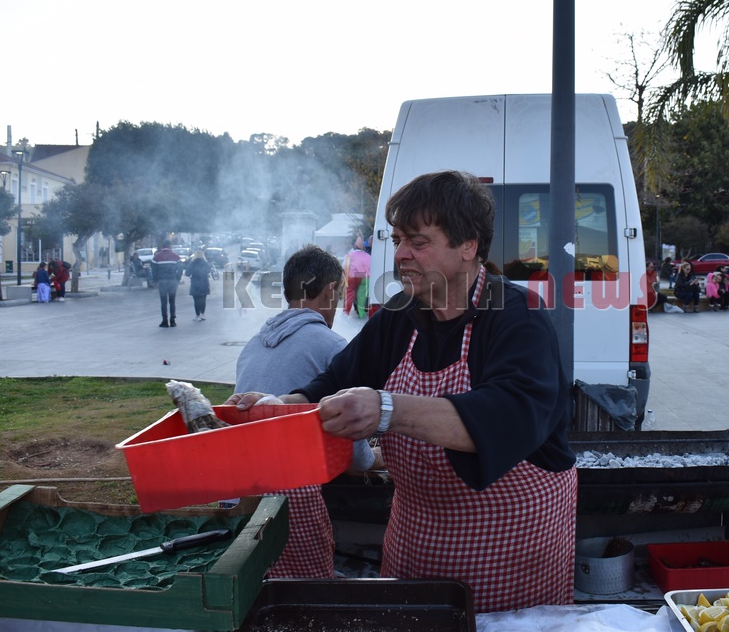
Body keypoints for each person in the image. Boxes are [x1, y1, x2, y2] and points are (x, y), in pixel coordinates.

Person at [226, 170, 577, 613]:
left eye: (418, 241)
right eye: (397, 240)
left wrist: (386, 408)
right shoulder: (400, 314)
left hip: (512, 547)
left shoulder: (516, 314)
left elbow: (510, 414)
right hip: (417, 536)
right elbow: (333, 381)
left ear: (468, 245)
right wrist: (282, 404)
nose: (401, 254)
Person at [234, 244, 380, 577]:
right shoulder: (332, 345)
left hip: (238, 492)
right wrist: (376, 458)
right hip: (289, 496)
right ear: (331, 291)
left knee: (256, 581)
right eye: (338, 296)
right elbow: (356, 455)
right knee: (307, 586)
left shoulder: (252, 345)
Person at [152, 240, 182, 327]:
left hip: (162, 281)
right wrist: (177, 279)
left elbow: (154, 271)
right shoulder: (176, 256)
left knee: (163, 302)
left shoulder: (157, 257)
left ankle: (165, 321)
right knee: (172, 302)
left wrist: (156, 280)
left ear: (162, 246)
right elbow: (180, 269)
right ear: (170, 246)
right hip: (172, 281)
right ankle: (173, 321)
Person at [343, 235, 371, 318]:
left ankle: (345, 314)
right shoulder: (369, 256)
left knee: (350, 293)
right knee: (361, 297)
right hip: (365, 277)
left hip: (353, 276)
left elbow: (345, 266)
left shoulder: (350, 255)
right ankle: (361, 315)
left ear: (354, 246)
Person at [184, 249, 213, 321]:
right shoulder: (205, 263)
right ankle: (203, 314)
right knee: (203, 299)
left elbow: (187, 273)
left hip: (195, 283)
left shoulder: (192, 263)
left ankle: (197, 315)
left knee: (196, 300)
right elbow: (209, 270)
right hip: (204, 282)